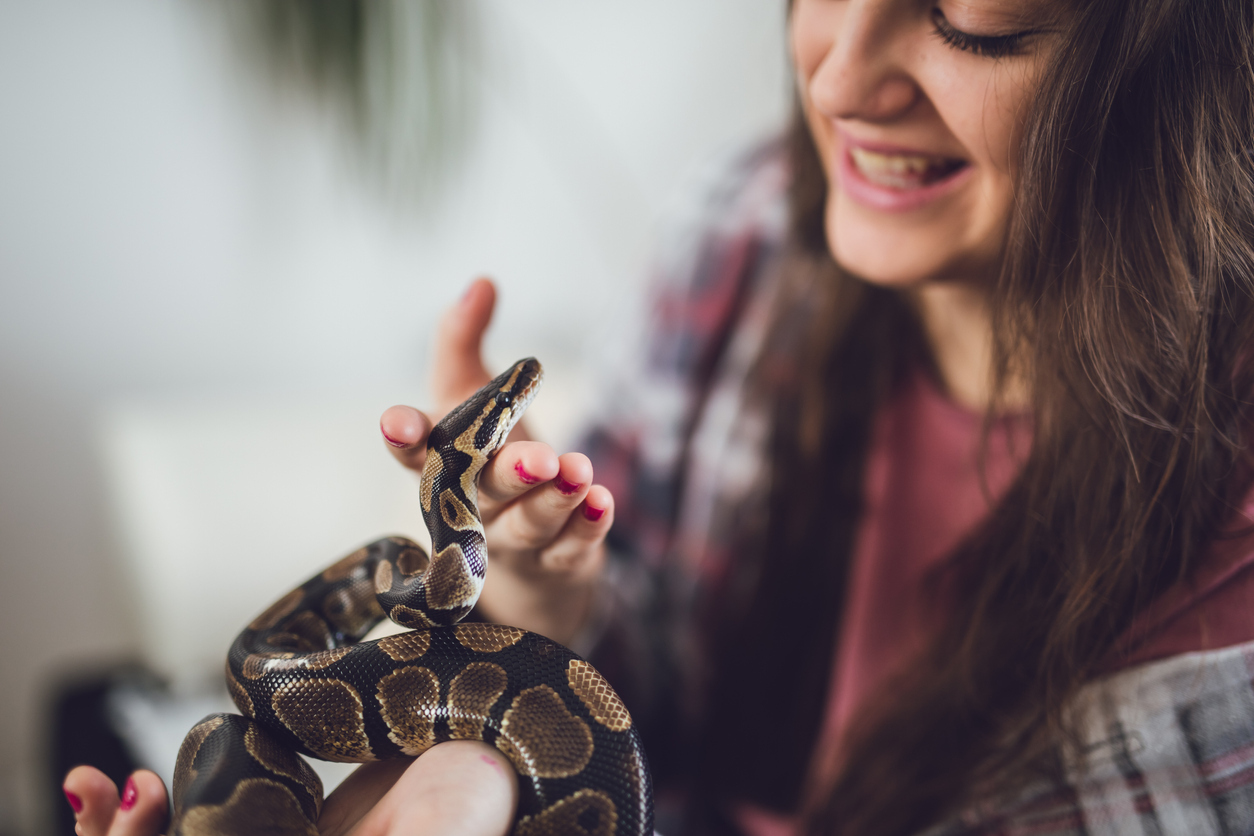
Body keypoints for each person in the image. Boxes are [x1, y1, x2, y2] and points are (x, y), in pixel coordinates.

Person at [64, 0, 1254, 834]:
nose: (835, 78)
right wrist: (536, 587)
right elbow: (621, 696)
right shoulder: (738, 233)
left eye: (970, 19)